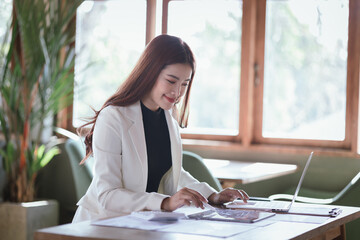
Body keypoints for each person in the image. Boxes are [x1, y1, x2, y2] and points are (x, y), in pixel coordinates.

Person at [72, 34, 249, 223]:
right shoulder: (113, 117)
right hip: (102, 225)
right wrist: (165, 202)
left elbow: (172, 173)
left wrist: (212, 196)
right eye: (171, 81)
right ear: (150, 72)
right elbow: (107, 195)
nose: (177, 92)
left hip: (143, 225)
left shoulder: (168, 115)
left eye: (184, 84)